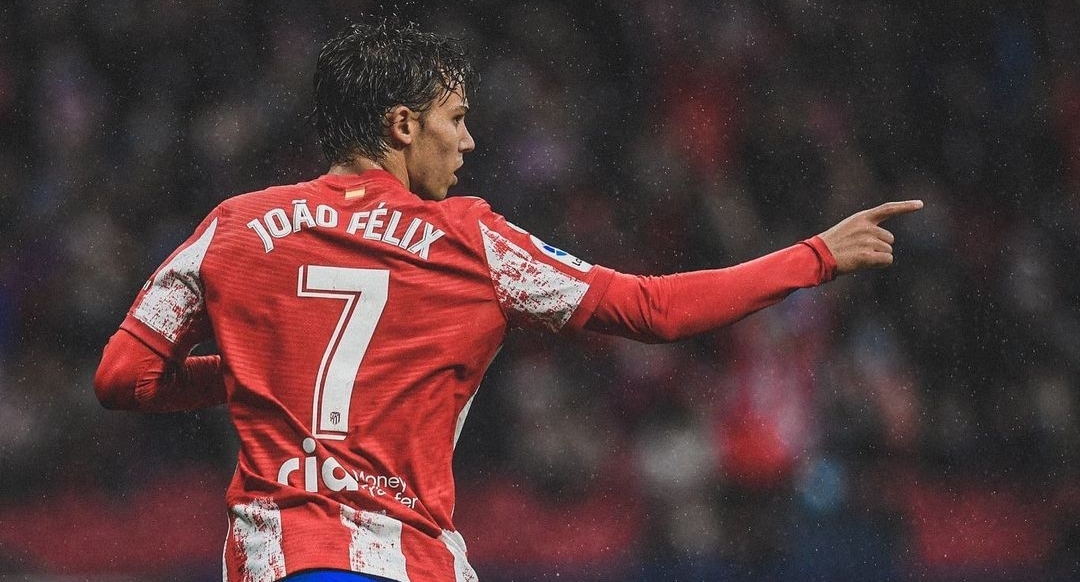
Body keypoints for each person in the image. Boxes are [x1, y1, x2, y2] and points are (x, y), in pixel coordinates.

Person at [93, 19, 922, 582]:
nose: (470, 140)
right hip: (406, 561)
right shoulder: (470, 240)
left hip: (282, 559)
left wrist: (258, 370)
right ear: (403, 124)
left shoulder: (235, 226)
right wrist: (815, 257)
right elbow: (652, 310)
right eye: (456, 117)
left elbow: (123, 378)